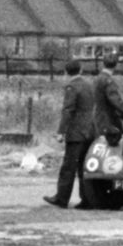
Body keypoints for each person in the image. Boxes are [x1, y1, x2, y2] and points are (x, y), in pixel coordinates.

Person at [46, 59, 98, 208]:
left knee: (68, 167)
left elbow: (68, 110)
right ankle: (87, 199)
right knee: (84, 166)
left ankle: (62, 198)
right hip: (90, 130)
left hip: (76, 132)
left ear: (66, 72)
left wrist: (61, 131)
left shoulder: (71, 87)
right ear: (81, 70)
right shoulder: (89, 85)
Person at [92, 52, 123, 145]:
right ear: (116, 65)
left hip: (99, 119)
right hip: (109, 121)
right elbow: (116, 102)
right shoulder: (108, 81)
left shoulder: (98, 78)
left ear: (103, 63)